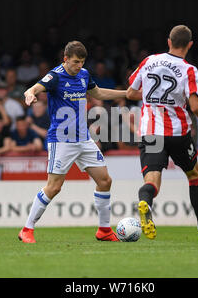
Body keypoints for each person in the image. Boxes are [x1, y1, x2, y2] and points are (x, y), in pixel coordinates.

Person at [126, 25, 198, 244]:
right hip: (177, 132)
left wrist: (151, 97)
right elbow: (197, 107)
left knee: (152, 180)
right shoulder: (188, 69)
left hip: (151, 132)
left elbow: (130, 92)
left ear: (168, 42)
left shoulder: (149, 61)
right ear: (190, 45)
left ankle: (145, 202)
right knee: (194, 176)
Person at [20, 40, 127, 243]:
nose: (79, 66)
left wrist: (126, 93)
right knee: (54, 187)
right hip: (61, 140)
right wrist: (29, 95)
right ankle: (27, 229)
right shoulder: (55, 76)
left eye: (82, 62)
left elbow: (99, 93)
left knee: (105, 181)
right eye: (76, 62)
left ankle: (104, 231)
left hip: (84, 139)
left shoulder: (84, 74)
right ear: (66, 59)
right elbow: (34, 88)